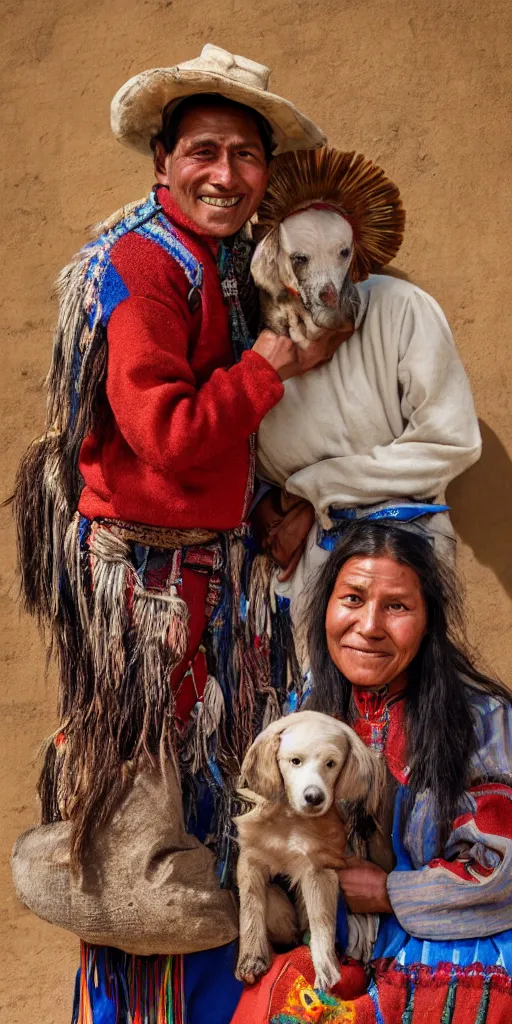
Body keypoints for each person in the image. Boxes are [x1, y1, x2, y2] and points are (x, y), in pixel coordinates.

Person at [11, 44, 342, 1024]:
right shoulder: (141, 267)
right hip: (145, 609)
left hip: (200, 587)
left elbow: (202, 456)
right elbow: (165, 432)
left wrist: (262, 511)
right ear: (163, 161)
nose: (224, 176)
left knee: (195, 817)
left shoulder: (217, 268)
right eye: (204, 151)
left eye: (245, 157)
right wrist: (271, 362)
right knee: (139, 831)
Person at [231, 520, 512, 1023]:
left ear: (428, 621)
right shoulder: (304, 711)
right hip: (332, 939)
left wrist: (388, 892)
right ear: (327, 609)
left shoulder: (481, 720)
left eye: (397, 606)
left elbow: (501, 865)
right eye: (353, 599)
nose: (369, 626)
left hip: (445, 942)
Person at [252, 148, 482, 633]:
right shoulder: (254, 346)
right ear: (276, 262)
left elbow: (450, 442)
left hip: (405, 554)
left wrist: (316, 494)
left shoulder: (402, 310)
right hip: (294, 570)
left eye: (339, 256)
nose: (328, 284)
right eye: (302, 259)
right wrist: (273, 511)